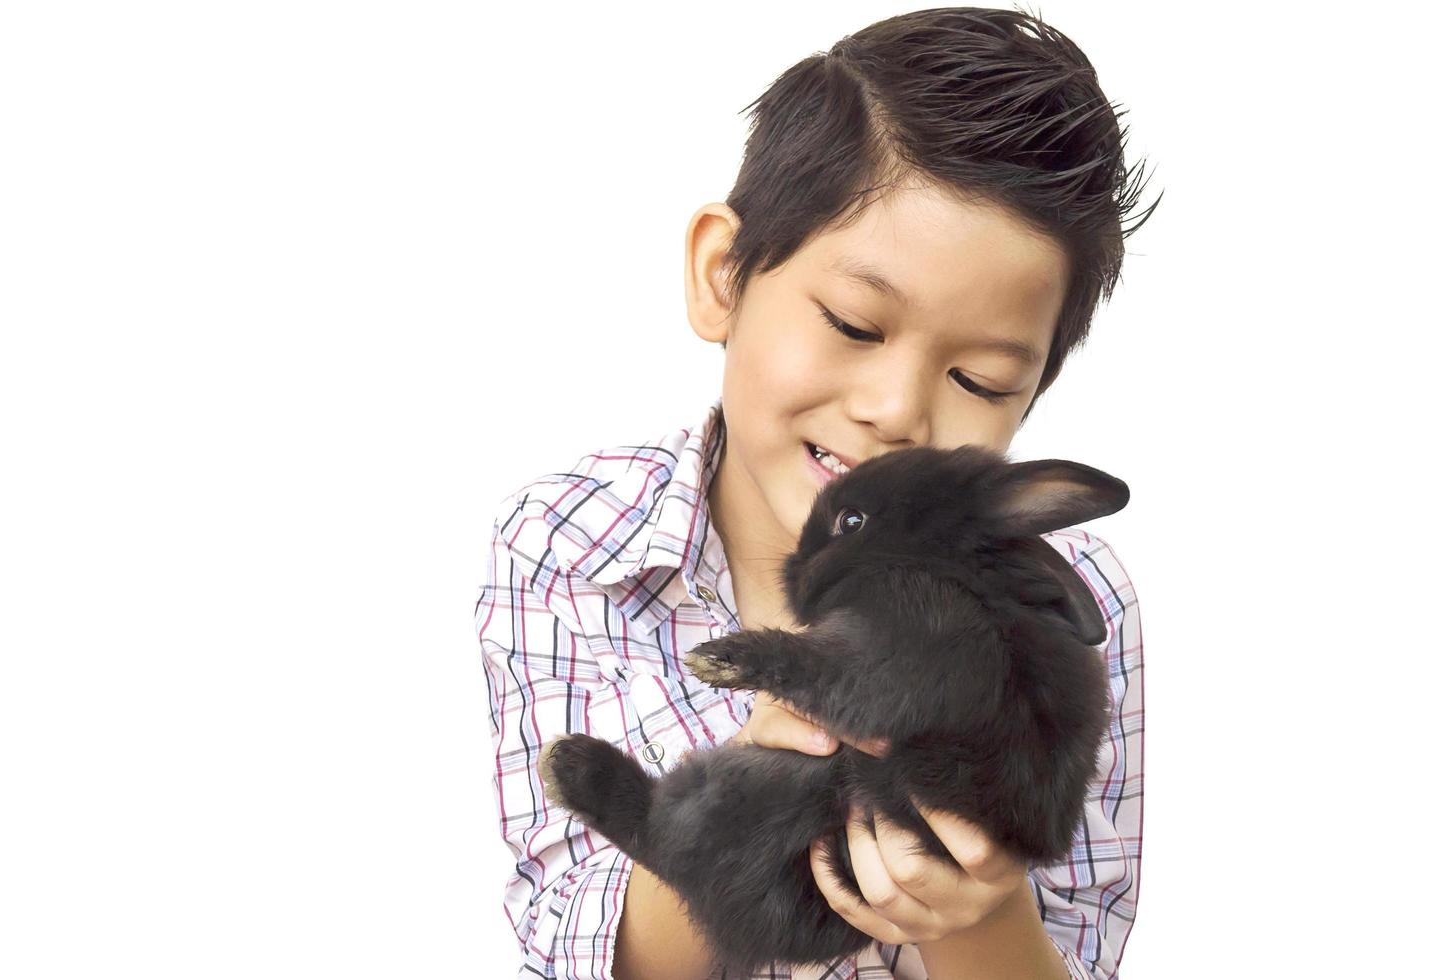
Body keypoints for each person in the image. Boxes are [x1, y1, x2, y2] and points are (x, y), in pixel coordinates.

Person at [475, 7, 1156, 979]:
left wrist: (972, 902)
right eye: (853, 323)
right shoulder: (572, 539)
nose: (897, 411)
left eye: (980, 382)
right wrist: (741, 801)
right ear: (723, 274)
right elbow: (578, 944)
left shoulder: (1072, 594)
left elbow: (1080, 947)